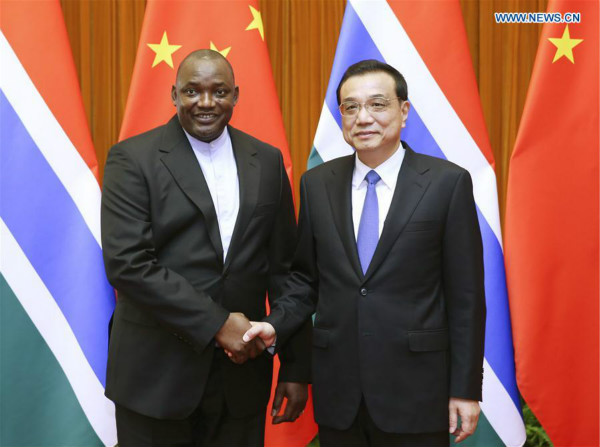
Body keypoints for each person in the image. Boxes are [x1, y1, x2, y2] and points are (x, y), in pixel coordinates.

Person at [243, 59, 486, 447]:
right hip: (340, 392)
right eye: (351, 107)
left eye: (377, 104)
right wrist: (276, 324)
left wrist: (465, 389)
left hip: (418, 392)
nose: (363, 117)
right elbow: (305, 280)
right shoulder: (317, 185)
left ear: (403, 111)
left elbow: (466, 298)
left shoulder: (446, 184)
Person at [101, 49, 310, 447]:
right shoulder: (132, 159)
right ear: (174, 94)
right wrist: (217, 323)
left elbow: (284, 269)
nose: (206, 103)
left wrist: (295, 368)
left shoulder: (266, 161)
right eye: (192, 91)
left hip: (241, 382)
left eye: (219, 91)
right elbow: (128, 265)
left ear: (236, 95)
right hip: (155, 380)